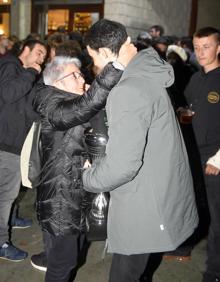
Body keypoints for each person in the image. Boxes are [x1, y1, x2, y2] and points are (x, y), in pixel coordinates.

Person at [82, 19, 198, 282]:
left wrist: (87, 177)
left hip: (143, 205)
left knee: (125, 274)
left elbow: (123, 166)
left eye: (92, 57)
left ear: (103, 52)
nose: (94, 66)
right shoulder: (147, 71)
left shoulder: (128, 90)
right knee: (138, 271)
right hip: (157, 192)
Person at [30, 56, 123, 281]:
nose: (82, 78)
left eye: (81, 74)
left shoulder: (66, 99)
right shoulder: (54, 104)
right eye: (75, 75)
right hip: (61, 198)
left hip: (71, 194)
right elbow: (82, 108)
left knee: (65, 257)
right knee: (63, 264)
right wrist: (116, 67)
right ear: (57, 82)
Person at [0, 39, 47, 262]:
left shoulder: (24, 73)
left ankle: (10, 220)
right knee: (4, 197)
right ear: (25, 50)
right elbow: (8, 94)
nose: (41, 59)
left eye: (44, 56)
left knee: (8, 194)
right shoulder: (11, 64)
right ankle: (1, 242)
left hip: (14, 144)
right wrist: (30, 72)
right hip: (6, 144)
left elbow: (26, 108)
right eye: (39, 53)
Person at [184, 27, 220, 282]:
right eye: (197, 47)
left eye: (206, 46)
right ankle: (186, 242)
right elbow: (187, 106)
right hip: (194, 156)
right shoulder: (196, 78)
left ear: (219, 48)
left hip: (214, 159)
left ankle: (214, 271)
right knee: (194, 206)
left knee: (218, 220)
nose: (200, 52)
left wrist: (218, 159)